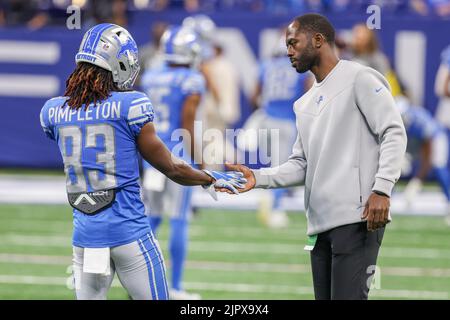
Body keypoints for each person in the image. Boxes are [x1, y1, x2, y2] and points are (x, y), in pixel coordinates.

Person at [39, 23, 245, 300]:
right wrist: (210, 176)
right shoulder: (130, 106)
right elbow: (172, 167)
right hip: (129, 235)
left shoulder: (53, 111)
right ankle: (179, 285)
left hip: (86, 239)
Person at [223, 13, 407, 300]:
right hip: (319, 227)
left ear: (318, 40)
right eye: (287, 45)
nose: (288, 51)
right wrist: (258, 177)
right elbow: (301, 164)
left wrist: (382, 189)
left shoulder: (359, 77)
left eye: (294, 43)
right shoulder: (304, 102)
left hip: (356, 219)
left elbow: (394, 132)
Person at [140, 25, 205, 300]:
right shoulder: (191, 79)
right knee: (179, 219)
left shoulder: (152, 76)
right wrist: (199, 161)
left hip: (151, 154)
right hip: (177, 155)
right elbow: (187, 125)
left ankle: (140, 283)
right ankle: (175, 287)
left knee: (151, 219)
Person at [249, 34, 308, 228]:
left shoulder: (266, 65)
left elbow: (254, 95)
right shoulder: (300, 68)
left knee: (272, 165)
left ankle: (268, 197)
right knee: (283, 168)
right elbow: (310, 94)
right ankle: (274, 207)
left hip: (266, 120)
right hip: (286, 122)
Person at [396, 96, 450, 224]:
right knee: (396, 164)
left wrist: (418, 179)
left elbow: (428, 150)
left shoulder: (416, 120)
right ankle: (388, 198)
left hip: (435, 138)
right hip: (418, 141)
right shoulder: (406, 120)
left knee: (438, 166)